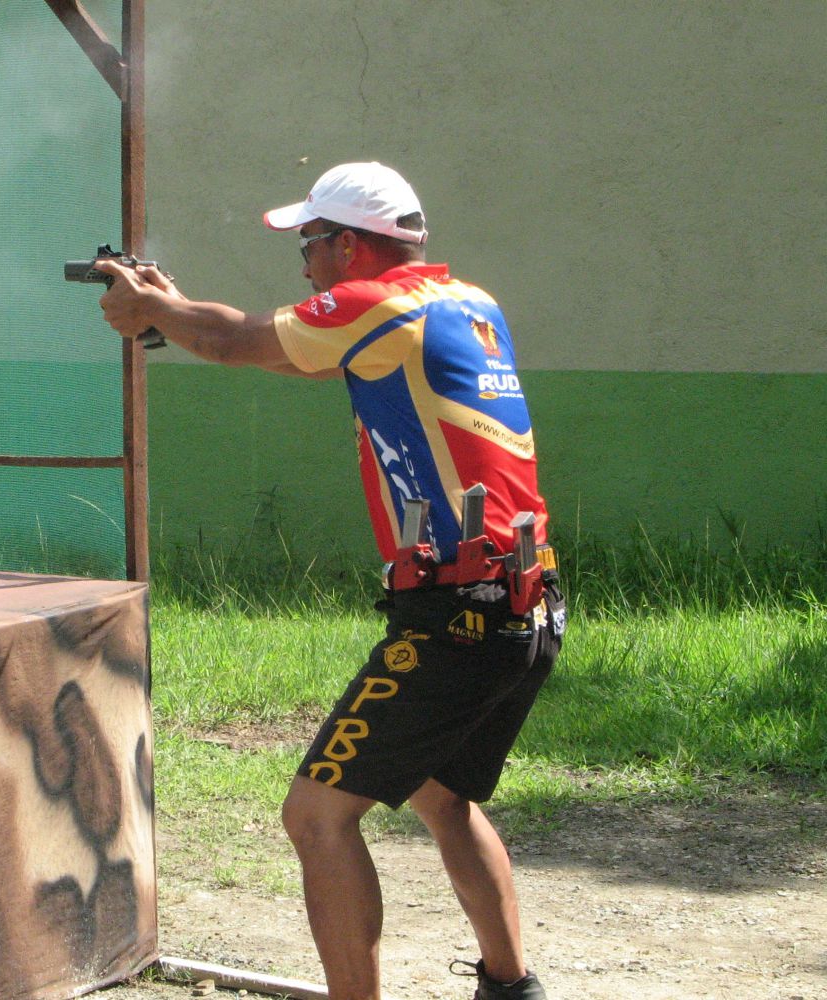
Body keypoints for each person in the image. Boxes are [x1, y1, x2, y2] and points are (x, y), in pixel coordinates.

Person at [96, 161, 564, 1000]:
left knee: (314, 816)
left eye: (308, 246)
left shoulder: (376, 304)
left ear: (348, 245)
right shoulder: (464, 303)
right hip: (522, 604)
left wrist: (157, 312)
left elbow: (238, 340)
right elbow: (295, 358)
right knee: (441, 797)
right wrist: (169, 310)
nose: (305, 264)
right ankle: (510, 987)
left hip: (455, 615)